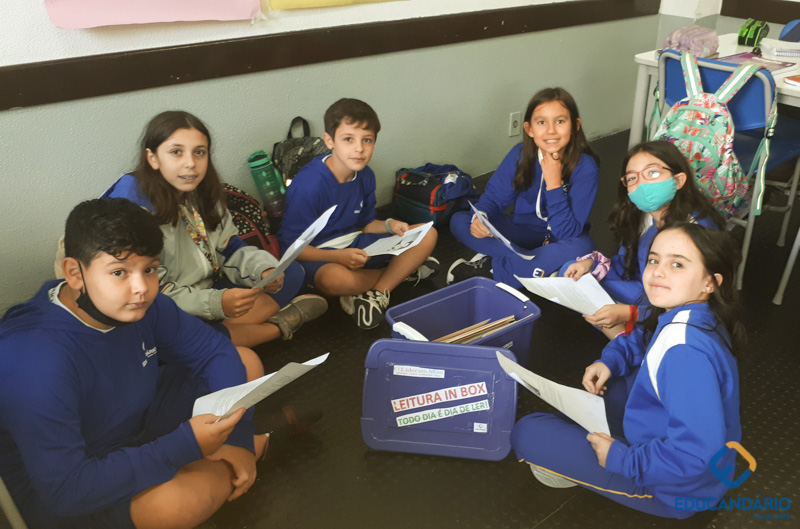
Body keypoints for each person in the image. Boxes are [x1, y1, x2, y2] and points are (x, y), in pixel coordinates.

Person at [0, 198, 270, 529]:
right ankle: (239, 457)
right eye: (119, 272)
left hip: (136, 421)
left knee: (244, 361)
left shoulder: (140, 304)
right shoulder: (33, 360)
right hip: (79, 481)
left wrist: (238, 439)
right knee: (180, 503)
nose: (141, 288)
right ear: (74, 273)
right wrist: (184, 446)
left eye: (150, 269)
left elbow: (214, 351)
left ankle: (235, 455)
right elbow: (66, 490)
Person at [511, 223, 745, 519]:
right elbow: (644, 335)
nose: (658, 272)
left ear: (710, 282)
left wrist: (622, 459)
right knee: (613, 384)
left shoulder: (686, 354)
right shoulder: (693, 313)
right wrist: (610, 361)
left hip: (674, 491)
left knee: (527, 431)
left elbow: (696, 451)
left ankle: (587, 458)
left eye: (677, 264)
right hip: (677, 456)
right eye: (654, 260)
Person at [103, 110, 327, 347]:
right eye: (176, 152)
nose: (190, 163)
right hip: (163, 305)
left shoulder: (204, 192)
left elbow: (231, 248)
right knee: (172, 332)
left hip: (209, 289)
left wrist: (263, 271)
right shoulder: (132, 213)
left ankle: (219, 337)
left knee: (290, 273)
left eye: (199, 152)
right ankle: (277, 326)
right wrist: (216, 303)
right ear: (153, 158)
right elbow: (148, 294)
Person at [278, 98, 439, 330]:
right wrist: (338, 257)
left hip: (358, 245)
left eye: (367, 140)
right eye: (348, 139)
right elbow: (291, 250)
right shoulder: (309, 184)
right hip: (321, 256)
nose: (359, 149)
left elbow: (365, 223)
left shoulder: (365, 175)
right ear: (329, 141)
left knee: (428, 233)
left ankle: (377, 292)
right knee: (335, 280)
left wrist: (390, 224)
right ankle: (403, 273)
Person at [562, 141, 724, 339]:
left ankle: (629, 341)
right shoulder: (643, 215)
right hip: (642, 288)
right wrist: (591, 264)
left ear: (678, 180)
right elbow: (625, 263)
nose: (642, 184)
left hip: (673, 300)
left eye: (653, 173)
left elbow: (694, 300)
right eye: (632, 178)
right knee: (572, 274)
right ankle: (626, 337)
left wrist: (631, 313)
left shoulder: (696, 229)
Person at [447, 87, 599, 287]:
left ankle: (495, 269)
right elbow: (495, 197)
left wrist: (554, 184)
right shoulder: (520, 154)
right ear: (529, 129)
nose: (551, 130)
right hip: (522, 231)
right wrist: (481, 217)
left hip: (562, 238)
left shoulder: (586, 167)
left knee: (583, 247)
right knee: (461, 220)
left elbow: (567, 233)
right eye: (541, 122)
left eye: (560, 121)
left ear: (575, 126)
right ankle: (535, 265)